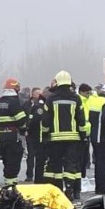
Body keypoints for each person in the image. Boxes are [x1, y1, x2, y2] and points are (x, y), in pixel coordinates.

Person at [42, 71, 86, 199]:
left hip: (55, 139)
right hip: (73, 138)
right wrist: (83, 135)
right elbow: (81, 119)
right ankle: (70, 189)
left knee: (55, 164)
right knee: (71, 164)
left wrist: (45, 134)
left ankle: (56, 191)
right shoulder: (76, 98)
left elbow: (46, 120)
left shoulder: (51, 99)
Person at [0, 78, 28, 186]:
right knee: (14, 162)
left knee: (6, 161)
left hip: (0, 136)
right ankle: (11, 187)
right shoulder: (14, 102)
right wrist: (23, 130)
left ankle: (9, 184)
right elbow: (21, 120)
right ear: (15, 89)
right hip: (12, 137)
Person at [24, 87, 46, 183]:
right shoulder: (26, 104)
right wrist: (25, 129)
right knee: (30, 155)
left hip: (39, 133)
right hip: (30, 133)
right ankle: (29, 175)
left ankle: (39, 176)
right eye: (38, 94)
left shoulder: (41, 105)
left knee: (40, 156)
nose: (40, 95)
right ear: (33, 94)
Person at [76, 83, 94, 177]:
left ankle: (83, 177)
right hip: (81, 132)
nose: (89, 95)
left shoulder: (88, 100)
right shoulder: (79, 101)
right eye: (87, 93)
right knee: (81, 158)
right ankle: (81, 177)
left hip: (87, 131)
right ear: (81, 92)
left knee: (85, 157)